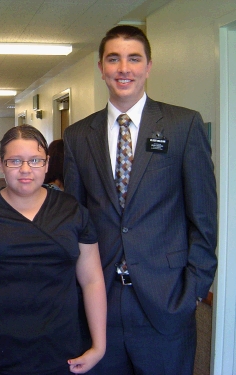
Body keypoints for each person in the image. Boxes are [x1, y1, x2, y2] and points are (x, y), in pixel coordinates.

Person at [63, 25, 217, 375]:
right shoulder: (77, 136)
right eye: (114, 59)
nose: (124, 69)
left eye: (134, 59)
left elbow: (204, 216)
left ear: (149, 66)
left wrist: (194, 289)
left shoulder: (183, 125)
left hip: (167, 298)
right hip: (99, 301)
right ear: (100, 67)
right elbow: (75, 219)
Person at [0, 124, 106, 375]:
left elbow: (92, 279)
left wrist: (99, 345)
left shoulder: (71, 211)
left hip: (61, 351)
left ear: (47, 163)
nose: (26, 170)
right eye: (15, 161)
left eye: (35, 160)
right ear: (1, 164)